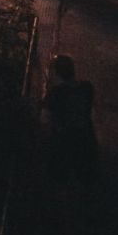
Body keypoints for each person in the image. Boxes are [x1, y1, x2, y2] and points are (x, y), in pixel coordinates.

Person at [42, 54, 99, 185]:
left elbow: (46, 119)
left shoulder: (56, 93)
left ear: (56, 73)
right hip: (86, 139)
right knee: (86, 181)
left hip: (64, 143)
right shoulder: (87, 87)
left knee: (58, 180)